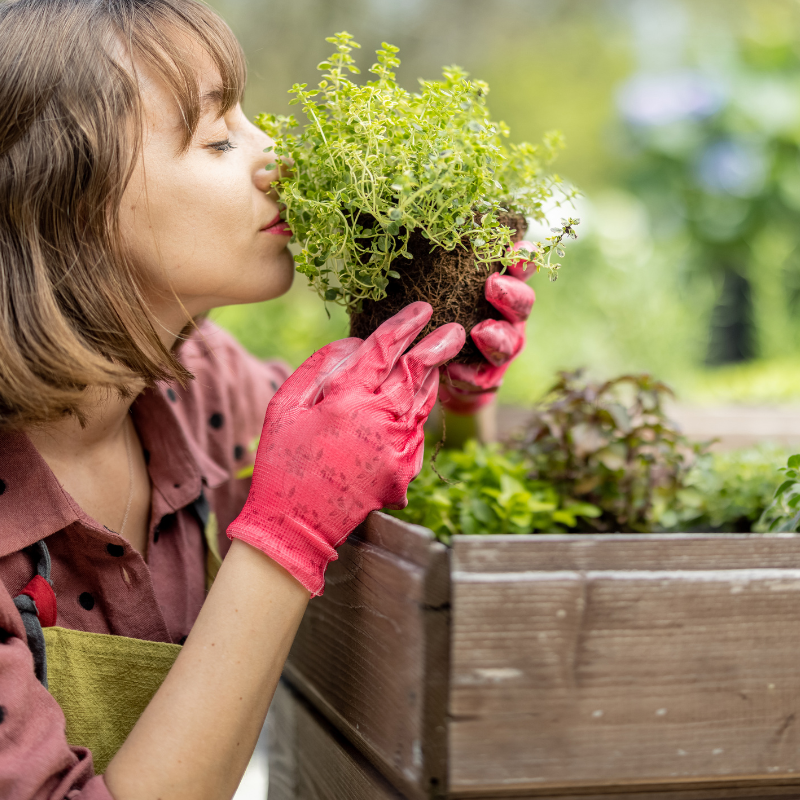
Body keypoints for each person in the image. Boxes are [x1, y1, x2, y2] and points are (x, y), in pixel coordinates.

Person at [0, 0, 536, 797]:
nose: (276, 158)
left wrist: (443, 398)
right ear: (67, 203)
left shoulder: (201, 386)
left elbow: (380, 491)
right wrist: (285, 538)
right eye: (217, 139)